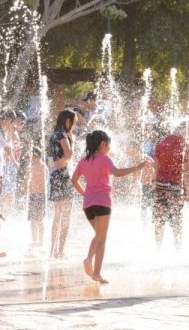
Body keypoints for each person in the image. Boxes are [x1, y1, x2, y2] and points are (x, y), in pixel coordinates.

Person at [71, 130, 149, 283]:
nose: (110, 148)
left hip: (88, 205)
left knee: (98, 234)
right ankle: (96, 273)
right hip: (102, 202)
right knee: (102, 239)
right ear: (103, 144)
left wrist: (85, 194)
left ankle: (88, 259)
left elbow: (74, 180)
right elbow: (117, 173)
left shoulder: (83, 161)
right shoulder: (104, 159)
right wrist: (138, 167)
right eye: (109, 145)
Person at [152, 124, 189, 249]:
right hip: (176, 186)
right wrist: (188, 189)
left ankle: (158, 246)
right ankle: (177, 246)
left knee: (159, 215)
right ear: (184, 131)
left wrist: (154, 180)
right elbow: (186, 170)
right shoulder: (186, 145)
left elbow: (156, 164)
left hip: (161, 184)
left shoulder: (161, 142)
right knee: (176, 215)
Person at [48, 109, 77, 259]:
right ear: (67, 121)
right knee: (65, 216)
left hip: (55, 175)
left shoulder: (54, 134)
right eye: (73, 122)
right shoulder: (62, 134)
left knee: (58, 215)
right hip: (63, 175)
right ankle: (60, 251)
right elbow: (70, 154)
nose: (73, 126)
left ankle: (53, 250)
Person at [26, 146, 48, 249]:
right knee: (40, 220)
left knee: (33, 220)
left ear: (34, 156)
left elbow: (26, 182)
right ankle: (41, 241)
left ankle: (35, 241)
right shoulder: (44, 167)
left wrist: (25, 191)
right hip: (42, 196)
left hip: (33, 195)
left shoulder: (31, 167)